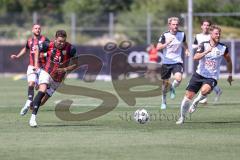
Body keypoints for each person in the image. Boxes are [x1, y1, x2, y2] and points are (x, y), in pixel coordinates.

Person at [176, 25, 233, 124]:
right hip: (199, 74)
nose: (218, 35)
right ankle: (182, 117)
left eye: (219, 33)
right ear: (211, 34)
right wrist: (206, 51)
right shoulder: (203, 45)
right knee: (187, 97)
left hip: (212, 77)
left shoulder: (223, 48)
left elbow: (228, 61)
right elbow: (195, 57)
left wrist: (230, 74)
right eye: (216, 33)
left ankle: (196, 102)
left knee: (205, 90)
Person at [29, 30, 77, 127]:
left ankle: (31, 104)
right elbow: (37, 49)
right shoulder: (48, 45)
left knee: (41, 103)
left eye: (63, 41)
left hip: (58, 79)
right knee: (42, 90)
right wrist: (36, 65)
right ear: (55, 39)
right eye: (59, 41)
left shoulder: (71, 48)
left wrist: (65, 69)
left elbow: (75, 64)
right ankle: (33, 118)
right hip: (46, 72)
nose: (61, 43)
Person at [10, 24, 49, 115]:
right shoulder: (29, 41)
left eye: (39, 28)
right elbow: (25, 48)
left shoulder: (45, 40)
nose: (37, 30)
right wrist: (17, 56)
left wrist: (44, 54)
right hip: (32, 66)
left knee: (40, 88)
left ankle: (32, 104)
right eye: (36, 28)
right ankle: (28, 101)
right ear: (32, 30)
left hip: (42, 67)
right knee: (31, 83)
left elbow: (50, 50)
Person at [156, 17, 190, 109]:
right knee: (164, 85)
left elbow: (184, 43)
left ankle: (172, 88)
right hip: (166, 62)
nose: (175, 26)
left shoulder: (182, 34)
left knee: (178, 79)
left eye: (177, 24)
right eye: (173, 24)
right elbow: (158, 47)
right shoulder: (164, 35)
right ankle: (163, 101)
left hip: (177, 61)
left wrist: (186, 50)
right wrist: (166, 43)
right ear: (169, 25)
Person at [193, 19, 223, 103]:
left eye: (208, 25)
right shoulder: (198, 36)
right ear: (201, 26)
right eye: (204, 25)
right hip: (202, 57)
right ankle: (217, 90)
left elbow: (217, 46)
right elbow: (194, 45)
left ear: (210, 27)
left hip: (211, 59)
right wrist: (189, 49)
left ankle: (205, 97)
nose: (206, 26)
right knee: (203, 75)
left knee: (207, 76)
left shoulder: (212, 36)